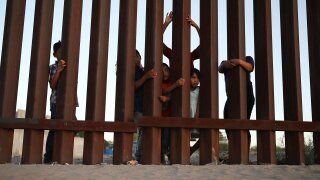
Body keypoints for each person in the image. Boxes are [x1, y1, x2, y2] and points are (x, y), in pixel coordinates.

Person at [44, 41, 79, 163]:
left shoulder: (71, 67)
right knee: (54, 129)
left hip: (70, 103)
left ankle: (61, 152)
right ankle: (48, 157)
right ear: (55, 54)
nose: (62, 54)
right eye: (60, 52)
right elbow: (52, 85)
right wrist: (59, 70)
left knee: (73, 125)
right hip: (56, 103)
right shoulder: (53, 67)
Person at [218, 56, 255, 151]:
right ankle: (234, 149)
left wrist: (240, 62)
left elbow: (250, 67)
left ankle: (245, 152)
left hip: (247, 95)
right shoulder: (226, 62)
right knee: (227, 121)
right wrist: (224, 64)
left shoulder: (247, 58)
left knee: (244, 123)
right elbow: (220, 69)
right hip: (231, 97)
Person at [134, 50, 158, 162]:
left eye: (137, 57)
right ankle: (138, 155)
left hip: (142, 105)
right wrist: (146, 76)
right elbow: (133, 85)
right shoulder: (130, 69)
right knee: (139, 129)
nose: (136, 59)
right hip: (136, 105)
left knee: (142, 130)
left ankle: (139, 155)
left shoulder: (140, 69)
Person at [158, 63, 185, 164]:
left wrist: (168, 98)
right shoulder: (159, 83)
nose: (164, 73)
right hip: (160, 116)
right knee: (160, 139)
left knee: (167, 138)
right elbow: (164, 91)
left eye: (166, 70)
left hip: (169, 116)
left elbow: (174, 96)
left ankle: (168, 155)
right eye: (161, 71)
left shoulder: (170, 82)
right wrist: (176, 84)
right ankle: (162, 157)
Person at [190, 68, 200, 140]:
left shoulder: (200, 90)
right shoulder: (184, 89)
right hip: (186, 120)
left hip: (196, 120)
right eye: (193, 77)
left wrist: (195, 120)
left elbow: (199, 105)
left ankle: (190, 151)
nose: (196, 80)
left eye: (198, 78)